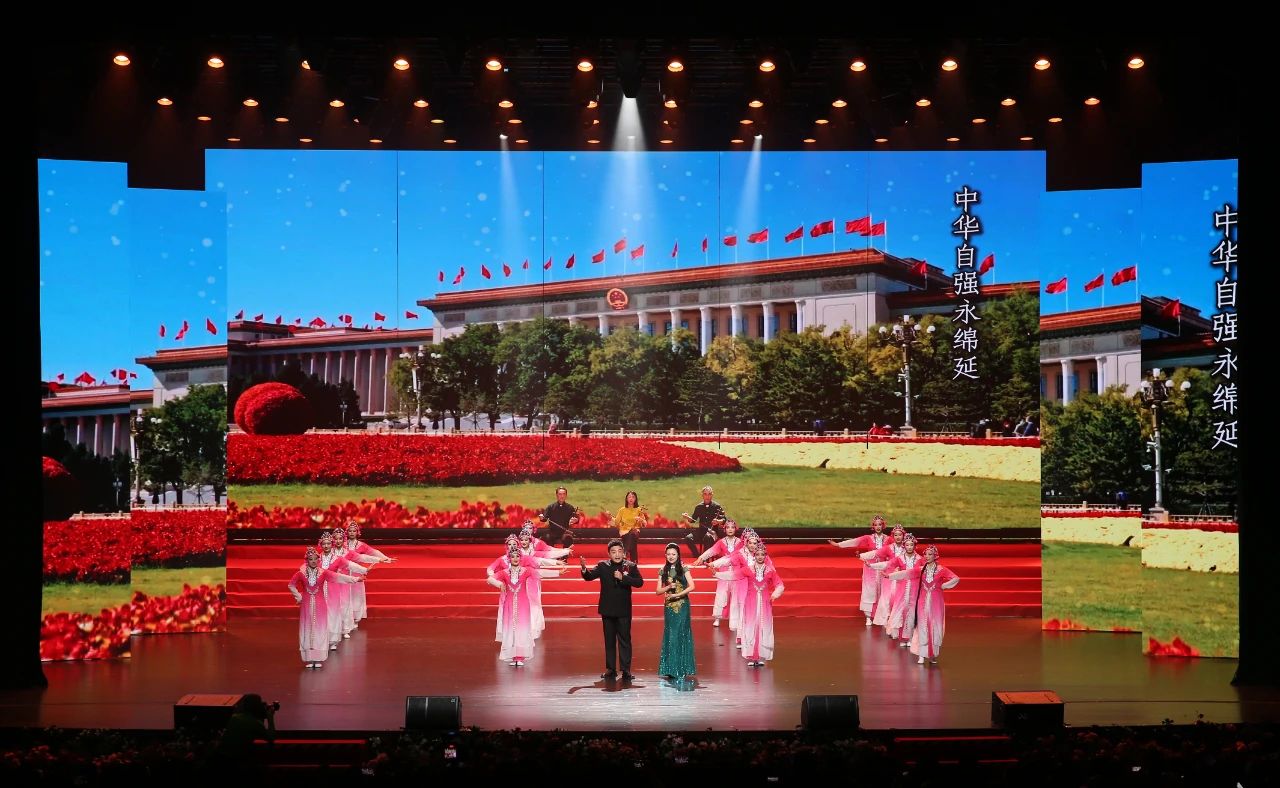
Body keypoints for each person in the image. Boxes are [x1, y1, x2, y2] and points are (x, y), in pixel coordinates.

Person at [288, 547, 363, 669]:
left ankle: (318, 658)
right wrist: (299, 597)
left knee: (320, 629)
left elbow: (339, 577)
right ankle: (309, 658)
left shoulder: (324, 572)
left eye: (315, 559)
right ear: (307, 560)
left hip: (320, 604)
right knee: (307, 629)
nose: (313, 561)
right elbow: (291, 585)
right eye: (310, 559)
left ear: (318, 560)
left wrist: (355, 579)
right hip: (306, 605)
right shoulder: (301, 573)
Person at [579, 539, 644, 681]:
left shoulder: (630, 566)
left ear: (624, 553)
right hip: (607, 609)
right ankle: (611, 669)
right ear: (609, 554)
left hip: (623, 610)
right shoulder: (603, 566)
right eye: (613, 552)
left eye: (620, 551)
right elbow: (589, 577)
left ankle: (626, 670)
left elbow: (640, 582)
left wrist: (623, 578)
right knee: (609, 640)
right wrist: (584, 569)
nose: (617, 554)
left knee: (625, 640)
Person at [887, 544, 960, 665]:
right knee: (922, 626)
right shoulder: (921, 569)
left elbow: (955, 578)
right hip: (922, 602)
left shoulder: (941, 569)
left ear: (935, 556)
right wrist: (890, 576)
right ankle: (921, 654)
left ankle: (932, 655)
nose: (927, 556)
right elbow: (906, 573)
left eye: (930, 554)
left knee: (936, 627)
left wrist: (944, 586)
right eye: (925, 554)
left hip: (936, 603)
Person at [827, 514, 891, 626]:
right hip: (870, 568)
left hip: (883, 568)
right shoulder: (868, 538)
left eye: (880, 524)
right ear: (873, 526)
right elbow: (855, 541)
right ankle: (868, 617)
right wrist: (838, 545)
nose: (878, 527)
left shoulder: (889, 539)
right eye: (876, 525)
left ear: (883, 526)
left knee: (884, 591)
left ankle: (883, 617)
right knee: (869, 590)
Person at [732, 544, 785, 667]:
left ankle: (761, 656)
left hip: (765, 602)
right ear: (754, 556)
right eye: (757, 554)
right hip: (750, 602)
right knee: (751, 626)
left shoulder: (770, 571)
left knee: (763, 627)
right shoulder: (748, 569)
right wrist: (717, 574)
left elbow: (780, 585)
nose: (760, 557)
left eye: (762, 554)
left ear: (765, 556)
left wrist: (775, 594)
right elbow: (733, 575)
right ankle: (751, 656)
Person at [691, 519, 745, 628]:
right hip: (723, 570)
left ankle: (736, 619)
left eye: (732, 527)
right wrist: (701, 558)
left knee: (736, 595)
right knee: (721, 593)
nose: (730, 529)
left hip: (736, 572)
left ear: (735, 529)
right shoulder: (721, 542)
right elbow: (711, 551)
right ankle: (717, 618)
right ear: (725, 529)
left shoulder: (740, 542)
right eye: (728, 527)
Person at [656, 543, 696, 683]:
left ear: (678, 555)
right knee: (671, 635)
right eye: (668, 554)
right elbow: (658, 591)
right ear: (665, 555)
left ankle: (682, 668)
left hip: (682, 605)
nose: (671, 556)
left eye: (673, 554)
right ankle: (670, 669)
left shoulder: (684, 568)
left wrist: (677, 595)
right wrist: (668, 588)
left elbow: (692, 586)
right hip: (669, 607)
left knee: (682, 634)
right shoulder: (663, 570)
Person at [681, 485, 727, 561]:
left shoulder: (717, 506)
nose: (707, 496)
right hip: (701, 530)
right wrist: (687, 517)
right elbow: (693, 520)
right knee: (688, 538)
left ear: (712, 495)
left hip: (713, 532)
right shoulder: (699, 507)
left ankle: (705, 559)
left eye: (709, 494)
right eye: (705, 494)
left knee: (707, 537)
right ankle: (697, 556)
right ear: (702, 495)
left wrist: (718, 521)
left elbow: (724, 520)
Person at [609, 491, 648, 563]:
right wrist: (610, 517)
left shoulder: (639, 510)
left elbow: (645, 524)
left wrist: (641, 520)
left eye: (633, 497)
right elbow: (616, 522)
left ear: (635, 499)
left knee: (632, 534)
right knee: (631, 537)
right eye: (629, 497)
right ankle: (634, 560)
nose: (631, 498)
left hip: (635, 531)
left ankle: (625, 552)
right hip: (624, 531)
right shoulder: (622, 510)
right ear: (626, 499)